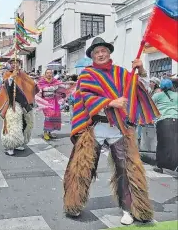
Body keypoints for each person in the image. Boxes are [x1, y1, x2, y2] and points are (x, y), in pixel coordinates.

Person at [63, 37, 159, 225]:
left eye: (103, 51)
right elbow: (86, 96)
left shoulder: (122, 73)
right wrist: (109, 102)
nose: (101, 54)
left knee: (127, 169)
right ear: (92, 55)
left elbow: (139, 89)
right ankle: (74, 203)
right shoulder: (87, 75)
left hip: (118, 128)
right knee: (83, 168)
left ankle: (130, 208)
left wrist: (141, 71)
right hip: (93, 128)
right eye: (97, 51)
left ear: (108, 53)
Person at [0, 57, 39, 156]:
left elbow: (31, 85)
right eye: (13, 63)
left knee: (24, 123)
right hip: (12, 103)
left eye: (17, 62)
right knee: (12, 124)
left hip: (24, 103)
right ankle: (10, 145)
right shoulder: (7, 74)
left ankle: (18, 143)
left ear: (19, 64)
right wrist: (11, 78)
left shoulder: (23, 74)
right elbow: (5, 86)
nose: (15, 64)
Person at [152, 78, 178, 173]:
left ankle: (160, 166)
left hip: (163, 121)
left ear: (161, 87)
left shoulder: (157, 95)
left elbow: (150, 106)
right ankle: (174, 166)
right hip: (176, 120)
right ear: (172, 87)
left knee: (162, 144)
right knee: (175, 143)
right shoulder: (176, 95)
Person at [37, 69, 66, 140]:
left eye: (50, 73)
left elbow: (63, 86)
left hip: (54, 101)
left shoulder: (55, 81)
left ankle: (50, 132)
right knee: (49, 116)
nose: (49, 74)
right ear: (45, 74)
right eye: (47, 73)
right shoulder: (41, 82)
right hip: (45, 102)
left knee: (55, 115)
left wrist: (72, 84)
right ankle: (45, 132)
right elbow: (37, 91)